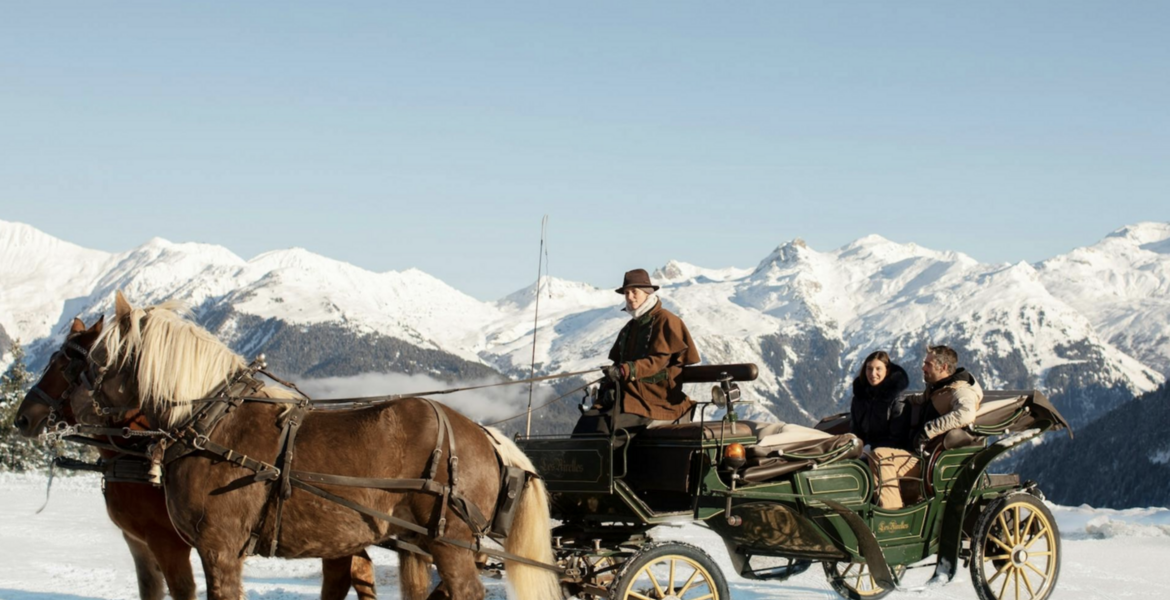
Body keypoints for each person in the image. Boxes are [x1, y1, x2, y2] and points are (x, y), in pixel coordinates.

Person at [572, 268, 701, 436]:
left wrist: (626, 370)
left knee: (605, 430)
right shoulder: (630, 327)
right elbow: (619, 362)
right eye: (626, 293)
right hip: (631, 394)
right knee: (586, 422)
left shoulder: (666, 321)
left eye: (634, 292)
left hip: (656, 398)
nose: (629, 296)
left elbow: (658, 362)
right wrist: (612, 375)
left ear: (647, 293)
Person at [870, 345, 983, 509]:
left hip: (930, 460)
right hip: (921, 452)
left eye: (928, 364)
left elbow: (966, 414)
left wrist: (929, 429)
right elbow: (922, 400)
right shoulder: (939, 386)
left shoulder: (961, 391)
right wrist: (898, 399)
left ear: (943, 367)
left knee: (880, 456)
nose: (923, 367)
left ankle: (892, 516)